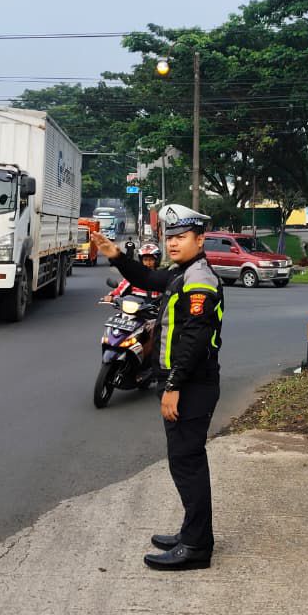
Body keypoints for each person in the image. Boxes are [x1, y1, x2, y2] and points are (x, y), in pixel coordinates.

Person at [91, 203, 224, 572]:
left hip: (192, 385)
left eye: (182, 237)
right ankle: (193, 533)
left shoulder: (199, 281)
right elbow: (149, 279)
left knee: (188, 464)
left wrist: (174, 386)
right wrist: (116, 256)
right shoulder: (183, 272)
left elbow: (195, 338)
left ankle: (196, 547)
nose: (173, 243)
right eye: (170, 237)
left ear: (200, 240)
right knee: (184, 462)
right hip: (185, 382)